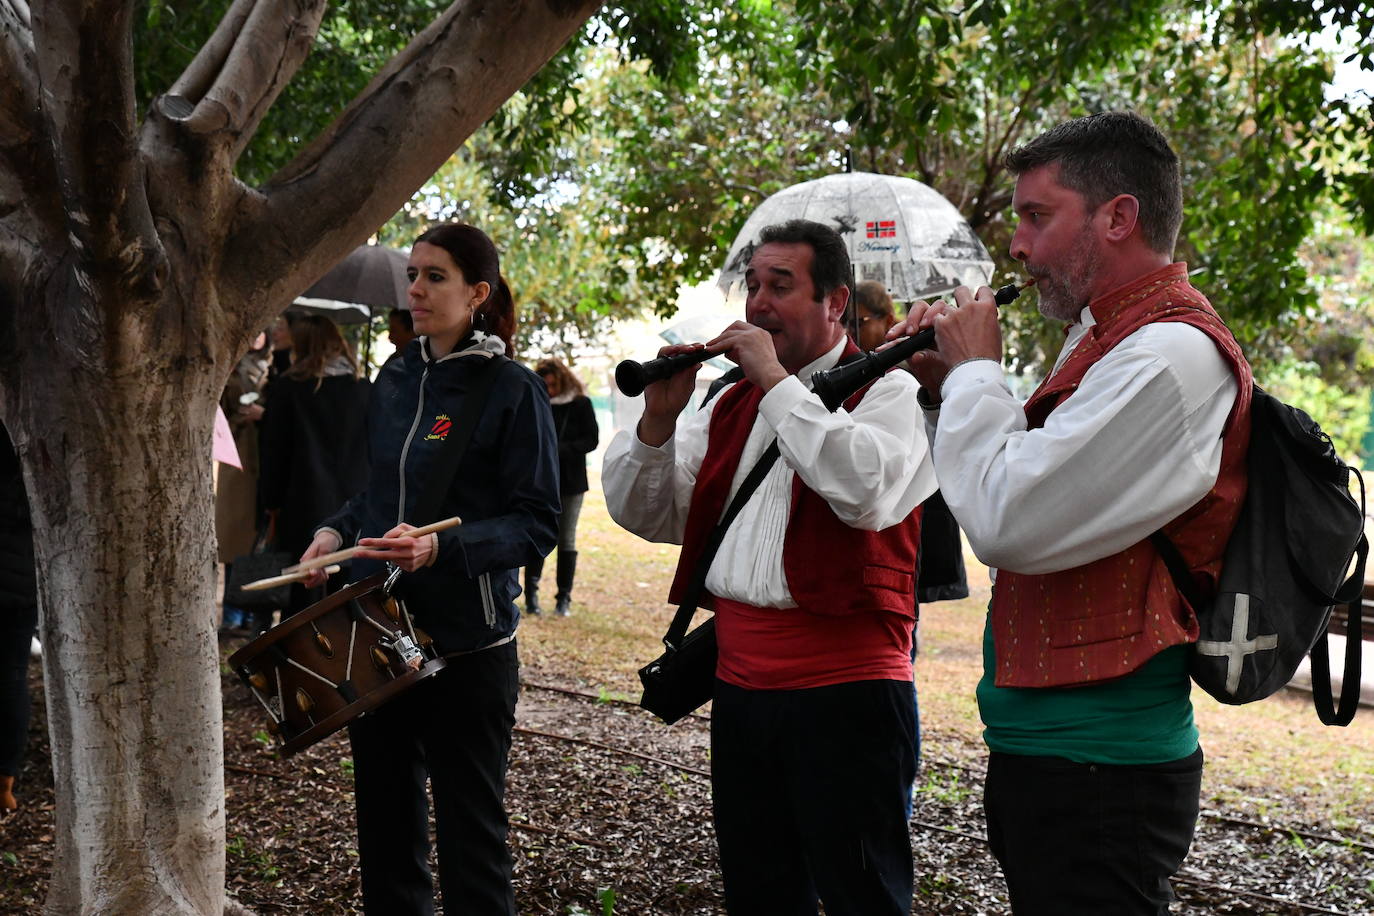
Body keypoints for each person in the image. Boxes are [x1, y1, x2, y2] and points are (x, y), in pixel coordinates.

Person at [890, 111, 1252, 914]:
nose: (1017, 245)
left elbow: (1010, 521)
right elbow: (1022, 473)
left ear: (1118, 217)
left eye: (1036, 216)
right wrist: (942, 385)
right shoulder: (1110, 340)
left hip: (1104, 769)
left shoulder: (1169, 357)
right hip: (1052, 758)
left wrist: (979, 374)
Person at [603, 218, 937, 915]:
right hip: (743, 693)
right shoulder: (730, 402)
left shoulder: (888, 395)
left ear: (836, 303)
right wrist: (657, 424)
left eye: (780, 286)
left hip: (847, 699)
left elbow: (863, 492)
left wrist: (777, 383)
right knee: (761, 894)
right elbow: (649, 516)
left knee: (863, 896)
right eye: (752, 285)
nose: (757, 304)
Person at [297, 223, 559, 915]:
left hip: (469, 646)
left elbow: (538, 523)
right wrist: (333, 531)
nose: (415, 289)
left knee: (472, 839)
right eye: (413, 274)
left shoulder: (511, 388)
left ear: (478, 293)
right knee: (385, 832)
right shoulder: (396, 374)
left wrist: (443, 548)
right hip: (377, 633)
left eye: (435, 276)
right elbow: (375, 494)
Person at [257, 314, 372, 621]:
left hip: (302, 503)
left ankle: (300, 664)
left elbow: (274, 453)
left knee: (300, 599)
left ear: (302, 346)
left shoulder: (290, 388)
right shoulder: (363, 389)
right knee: (347, 597)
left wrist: (270, 504)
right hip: (355, 504)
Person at [525, 357, 598, 616]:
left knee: (566, 538)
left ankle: (563, 598)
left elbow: (591, 440)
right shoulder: (536, 404)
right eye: (545, 386)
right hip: (541, 481)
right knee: (537, 535)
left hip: (572, 481)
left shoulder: (580, 404)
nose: (550, 391)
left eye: (553, 385)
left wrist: (559, 450)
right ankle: (531, 595)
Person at [215, 332, 271, 633]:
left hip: (266, 456)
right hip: (237, 457)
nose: (257, 334)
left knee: (261, 540)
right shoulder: (227, 366)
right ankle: (234, 612)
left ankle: (254, 611)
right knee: (235, 536)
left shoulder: (276, 366)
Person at [0, 421, 37, 816]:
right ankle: (4, 784)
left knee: (10, 678)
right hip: (20, 573)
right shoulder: (25, 424)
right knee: (10, 677)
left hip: (16, 577)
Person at [843, 279, 898, 351]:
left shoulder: (909, 357)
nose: (848, 333)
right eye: (844, 324)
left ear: (888, 321)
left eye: (857, 323)